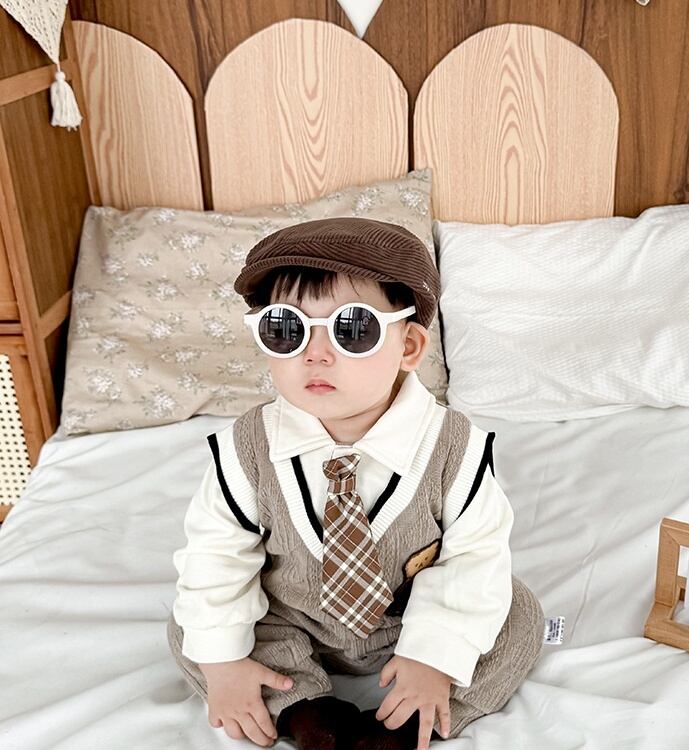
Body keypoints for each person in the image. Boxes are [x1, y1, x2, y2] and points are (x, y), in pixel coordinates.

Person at [167, 217, 545, 750]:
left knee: (516, 614)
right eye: (286, 329)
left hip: (409, 619)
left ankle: (406, 723)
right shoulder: (245, 449)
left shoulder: (454, 449)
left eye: (352, 330)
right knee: (195, 629)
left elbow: (474, 557)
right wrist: (223, 663)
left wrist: (434, 655)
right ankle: (306, 710)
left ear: (409, 346)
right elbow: (216, 556)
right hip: (291, 616)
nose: (315, 353)